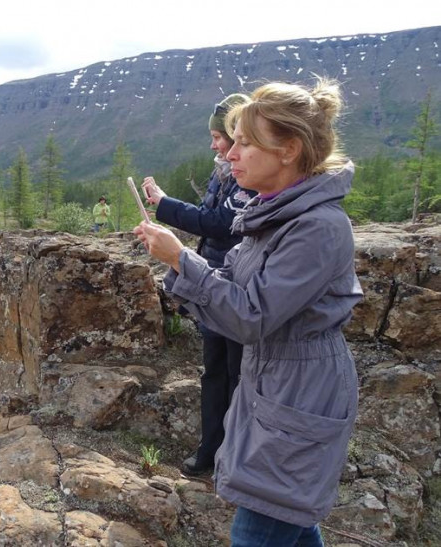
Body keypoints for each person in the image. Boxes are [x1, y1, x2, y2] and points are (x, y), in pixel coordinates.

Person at [134, 77, 362, 546]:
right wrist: (184, 269)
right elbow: (234, 292)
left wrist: (181, 259)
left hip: (300, 396)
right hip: (278, 387)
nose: (230, 155)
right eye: (231, 142)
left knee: (262, 524)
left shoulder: (317, 227)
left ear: (289, 150)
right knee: (289, 519)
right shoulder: (273, 214)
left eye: (244, 144)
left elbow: (250, 318)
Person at [141, 93, 256, 477]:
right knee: (215, 371)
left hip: (237, 287)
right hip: (214, 282)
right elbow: (212, 215)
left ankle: (238, 456)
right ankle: (210, 448)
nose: (216, 145)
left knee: (242, 375)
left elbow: (220, 222)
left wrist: (165, 208)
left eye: (220, 136)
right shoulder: (225, 171)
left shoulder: (248, 177)